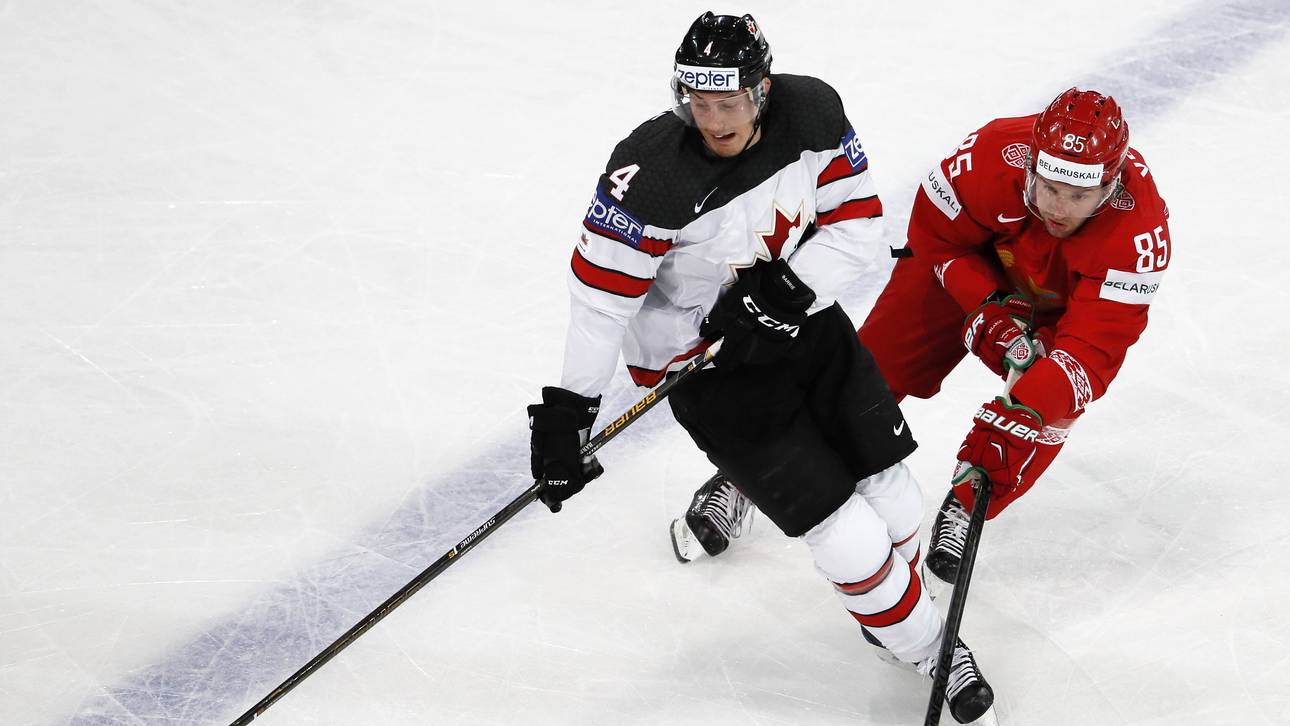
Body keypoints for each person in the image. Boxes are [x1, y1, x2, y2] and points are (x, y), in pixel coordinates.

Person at [526, 11, 994, 723]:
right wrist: (566, 416)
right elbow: (600, 306)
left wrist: (788, 290)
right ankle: (932, 650)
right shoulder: (648, 178)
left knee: (896, 502)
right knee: (850, 535)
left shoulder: (811, 111)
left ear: (762, 92)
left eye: (729, 103)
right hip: (710, 372)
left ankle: (892, 613)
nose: (713, 119)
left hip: (807, 327)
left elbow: (859, 229)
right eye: (698, 102)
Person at [681, 87, 1172, 595]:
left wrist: (1023, 411)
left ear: (1110, 187)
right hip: (962, 269)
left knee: (1040, 413)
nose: (1058, 208)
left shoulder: (1138, 235)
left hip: (1056, 312)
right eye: (1047, 187)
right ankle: (746, 479)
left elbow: (1090, 354)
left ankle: (968, 499)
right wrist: (982, 302)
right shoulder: (991, 153)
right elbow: (934, 234)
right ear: (1030, 164)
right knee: (865, 372)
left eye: (1078, 196)